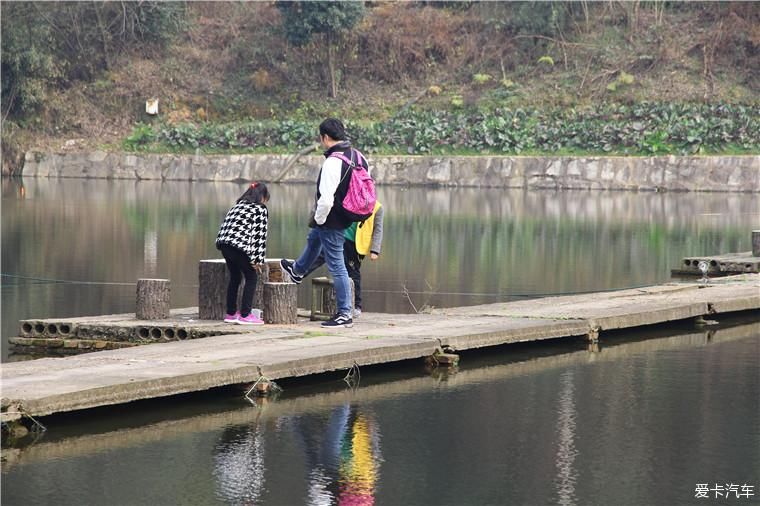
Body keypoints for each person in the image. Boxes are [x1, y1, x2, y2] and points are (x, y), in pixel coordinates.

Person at [280, 118, 357, 328]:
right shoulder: (357, 156)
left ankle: (344, 313)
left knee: (337, 266)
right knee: (314, 238)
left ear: (324, 137)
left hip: (332, 217)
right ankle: (298, 270)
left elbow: (326, 199)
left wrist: (319, 219)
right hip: (349, 214)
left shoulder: (333, 162)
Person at [305, 201, 384, 319]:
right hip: (337, 234)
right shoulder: (348, 196)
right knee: (317, 257)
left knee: (352, 273)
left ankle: (356, 305)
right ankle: (296, 274)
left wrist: (375, 250)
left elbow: (378, 229)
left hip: (355, 244)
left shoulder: (377, 207)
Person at [215, 182, 269, 325]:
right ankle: (245, 314)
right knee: (251, 277)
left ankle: (231, 313)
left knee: (235, 277)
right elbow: (259, 237)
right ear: (262, 197)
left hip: (225, 245)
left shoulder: (237, 206)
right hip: (239, 246)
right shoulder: (259, 209)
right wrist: (257, 261)